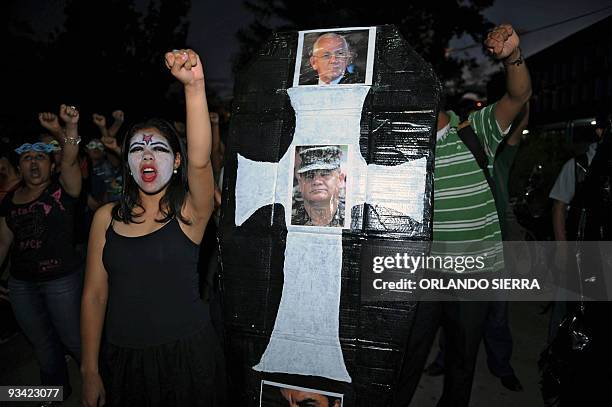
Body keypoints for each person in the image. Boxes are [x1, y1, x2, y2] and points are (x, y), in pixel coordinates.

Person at [392, 24, 531, 407]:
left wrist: (512, 58)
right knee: (408, 353)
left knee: (461, 359)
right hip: (426, 273)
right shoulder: (406, 151)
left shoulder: (474, 131)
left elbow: (518, 95)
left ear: (431, 98)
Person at [81, 49, 225, 407]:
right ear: (127, 163)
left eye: (159, 149)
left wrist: (194, 87)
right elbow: (95, 297)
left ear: (176, 162)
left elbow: (201, 159)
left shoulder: (190, 214)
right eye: (137, 150)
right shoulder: (105, 218)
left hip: (188, 357)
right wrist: (88, 370)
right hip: (124, 360)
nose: (147, 156)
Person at [0, 105, 83, 399]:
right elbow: (3, 243)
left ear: (51, 165)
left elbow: (71, 157)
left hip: (61, 281)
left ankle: (106, 384)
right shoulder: (9, 200)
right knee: (42, 344)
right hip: (22, 285)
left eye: (40, 157)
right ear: (19, 166)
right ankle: (53, 394)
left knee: (75, 341)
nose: (33, 163)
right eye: (26, 158)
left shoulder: (63, 189)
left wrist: (68, 129)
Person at [292, 145, 346, 226]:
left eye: (325, 174)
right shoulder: (287, 217)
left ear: (340, 179)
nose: (317, 181)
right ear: (300, 183)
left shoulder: (352, 218)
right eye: (309, 176)